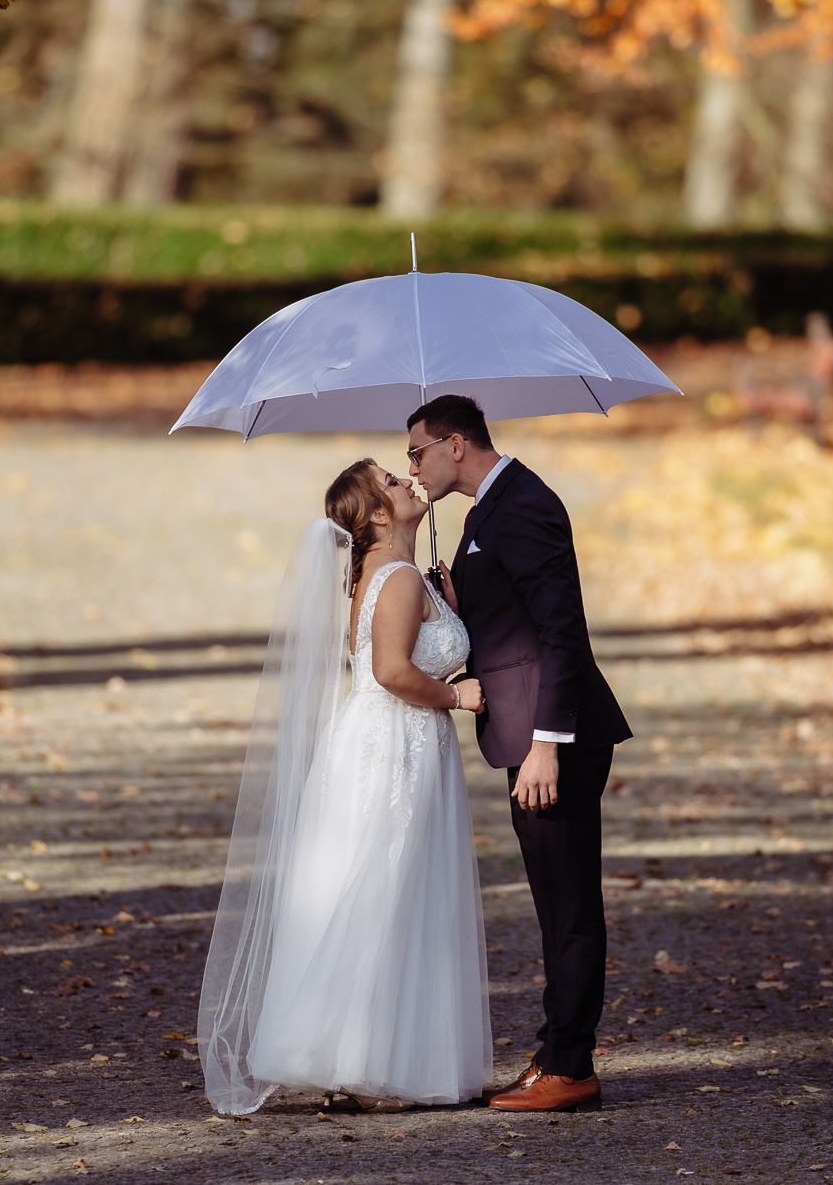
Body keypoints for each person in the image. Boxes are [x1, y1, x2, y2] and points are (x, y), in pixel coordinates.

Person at [198, 460, 493, 1114]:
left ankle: (370, 1055)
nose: (408, 481)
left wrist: (448, 601)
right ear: (380, 516)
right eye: (392, 480)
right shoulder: (398, 579)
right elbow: (390, 670)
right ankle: (369, 1065)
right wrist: (456, 693)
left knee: (390, 888)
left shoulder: (399, 576)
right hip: (395, 742)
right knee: (385, 887)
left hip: (392, 739)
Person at [406, 394, 632, 1114]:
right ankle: (554, 1052)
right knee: (551, 902)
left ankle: (572, 1068)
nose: (410, 468)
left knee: (569, 906)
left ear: (454, 445)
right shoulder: (486, 512)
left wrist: (546, 745)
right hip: (528, 735)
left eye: (416, 453)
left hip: (553, 740)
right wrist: (455, 596)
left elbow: (562, 630)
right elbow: (513, 624)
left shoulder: (525, 503)